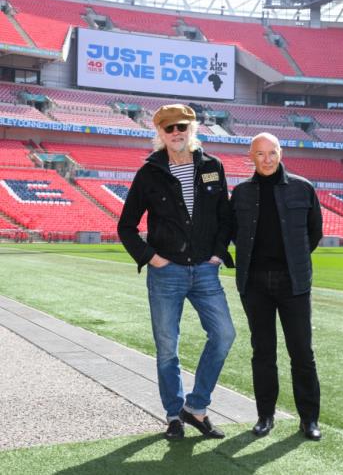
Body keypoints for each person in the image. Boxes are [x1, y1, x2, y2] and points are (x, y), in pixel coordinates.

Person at [118, 103, 235, 440]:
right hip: (166, 273)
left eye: (181, 127)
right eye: (168, 128)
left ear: (191, 129)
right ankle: (173, 415)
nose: (175, 133)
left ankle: (196, 407)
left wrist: (218, 253)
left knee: (224, 335)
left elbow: (225, 217)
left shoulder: (212, 166)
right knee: (167, 347)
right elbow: (126, 226)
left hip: (205, 271)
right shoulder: (149, 173)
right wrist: (151, 258)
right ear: (160, 133)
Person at [231, 132, 323, 441]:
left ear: (280, 153)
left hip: (294, 283)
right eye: (260, 153)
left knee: (302, 352)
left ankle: (309, 419)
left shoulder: (303, 188)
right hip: (255, 284)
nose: (267, 159)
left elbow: (314, 233)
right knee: (263, 352)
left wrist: (293, 260)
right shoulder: (241, 193)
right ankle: (265, 416)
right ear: (251, 157)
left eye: (272, 153)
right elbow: (234, 232)